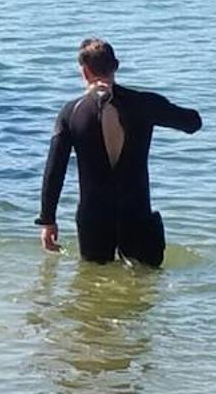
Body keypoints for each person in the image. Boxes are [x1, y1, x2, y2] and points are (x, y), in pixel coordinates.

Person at [36, 38, 202, 266]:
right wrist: (160, 105)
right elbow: (193, 123)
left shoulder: (71, 113)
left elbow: (54, 170)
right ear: (116, 66)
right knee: (143, 285)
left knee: (94, 288)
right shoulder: (144, 104)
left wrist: (48, 220)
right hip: (137, 214)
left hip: (94, 218)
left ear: (84, 71)